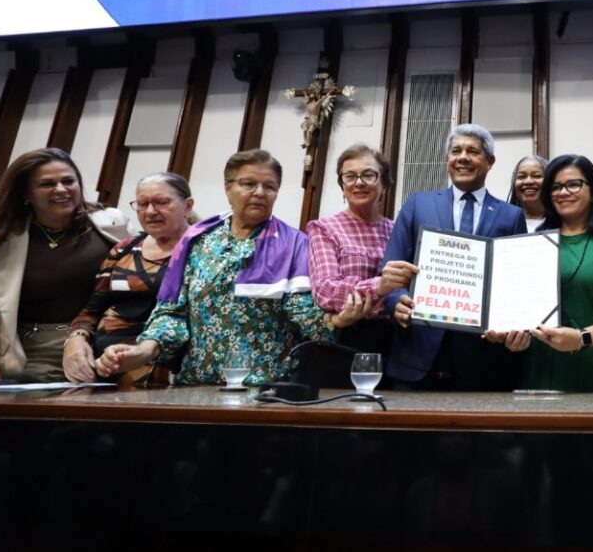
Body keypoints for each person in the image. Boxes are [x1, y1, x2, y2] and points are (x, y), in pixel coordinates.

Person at [99, 150, 338, 385]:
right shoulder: (198, 240)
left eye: (270, 186)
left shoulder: (296, 244)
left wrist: (338, 320)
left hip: (269, 386)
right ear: (228, 188)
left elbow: (306, 315)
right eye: (248, 184)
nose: (259, 193)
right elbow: (172, 312)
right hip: (199, 382)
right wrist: (144, 350)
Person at [379, 124, 527, 390]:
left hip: (483, 358)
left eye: (473, 151)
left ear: (489, 162)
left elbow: (516, 285)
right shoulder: (417, 203)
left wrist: (510, 324)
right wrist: (395, 302)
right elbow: (392, 267)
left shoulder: (511, 215)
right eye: (456, 151)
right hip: (417, 352)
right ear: (448, 159)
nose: (463, 157)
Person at [0, 148, 130, 382]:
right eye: (47, 184)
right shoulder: (3, 236)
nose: (61, 190)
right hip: (27, 354)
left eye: (68, 181)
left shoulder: (112, 223)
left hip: (101, 346)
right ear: (26, 193)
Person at [518, 154, 593, 392]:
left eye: (574, 184)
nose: (563, 192)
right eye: (555, 187)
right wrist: (512, 337)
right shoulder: (534, 244)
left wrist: (580, 338)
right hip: (541, 373)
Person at [67, 173, 195, 382]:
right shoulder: (124, 248)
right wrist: (75, 339)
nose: (151, 211)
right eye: (143, 204)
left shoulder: (204, 250)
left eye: (161, 202)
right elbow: (92, 309)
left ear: (187, 206)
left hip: (166, 363)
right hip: (105, 364)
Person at [307, 143, 395, 356]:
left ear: (383, 183)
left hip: (397, 337)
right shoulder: (325, 228)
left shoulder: (398, 229)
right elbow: (325, 289)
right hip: (348, 337)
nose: (359, 183)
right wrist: (380, 287)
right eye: (350, 176)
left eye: (368, 175)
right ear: (342, 186)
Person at [506, 154, 548, 231]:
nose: (528, 181)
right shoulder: (502, 222)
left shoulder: (564, 223)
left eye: (537, 176)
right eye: (521, 177)